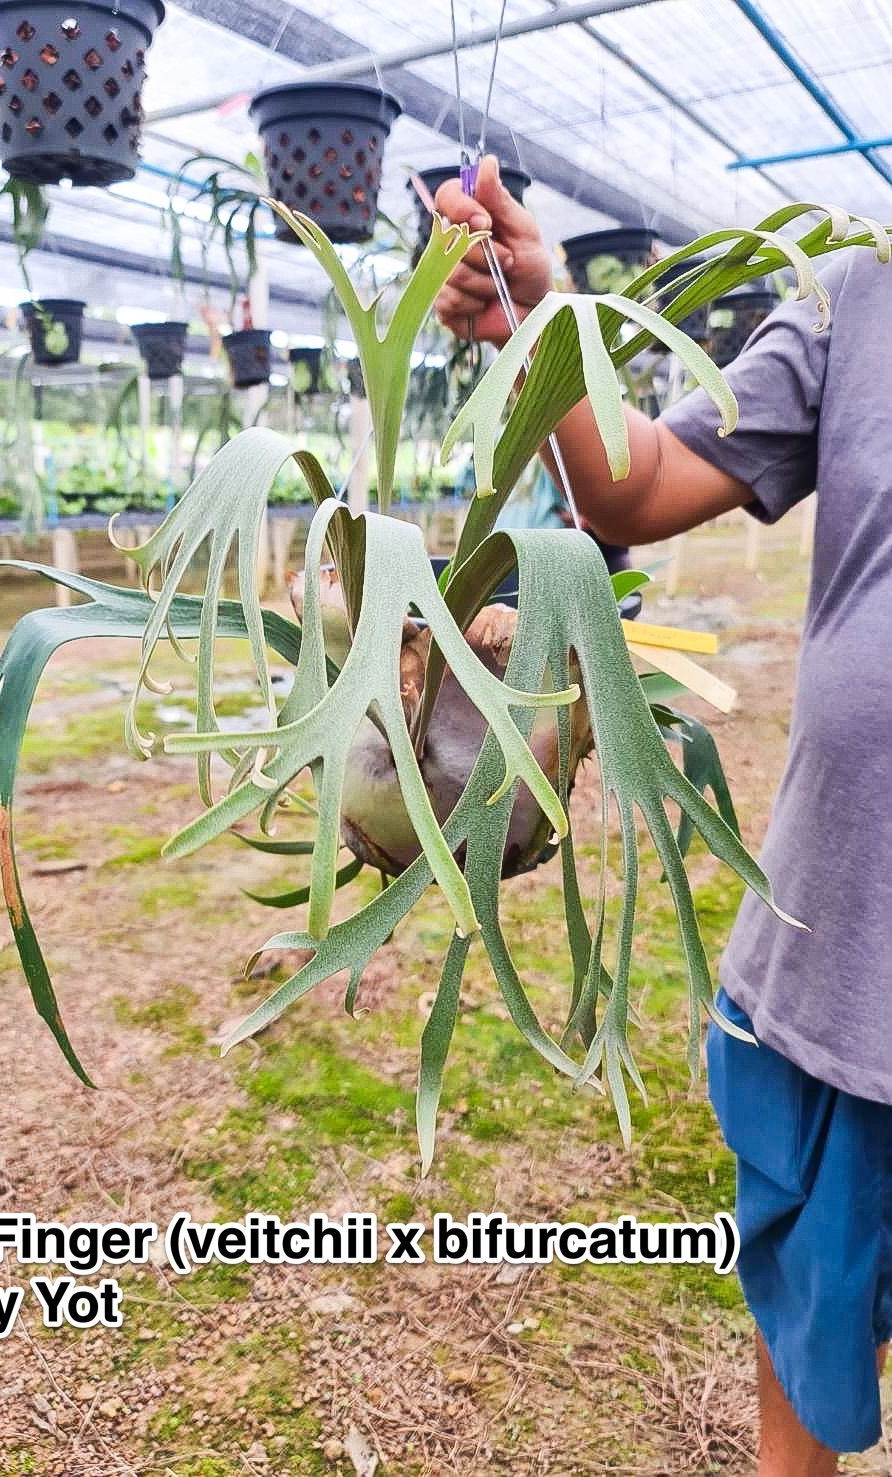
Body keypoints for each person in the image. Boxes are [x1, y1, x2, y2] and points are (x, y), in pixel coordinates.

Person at [433, 154, 892, 1473]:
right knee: (808, 1322)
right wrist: (546, 308)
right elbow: (631, 485)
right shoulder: (854, 287)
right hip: (842, 941)